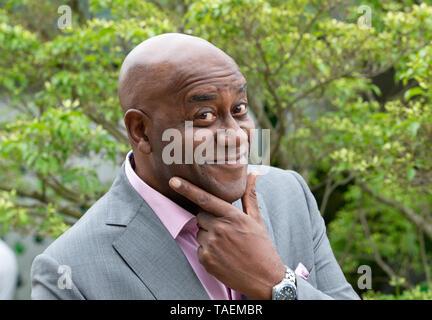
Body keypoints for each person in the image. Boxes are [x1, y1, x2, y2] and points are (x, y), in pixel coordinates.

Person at [31, 33, 360, 300]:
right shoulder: (69, 271)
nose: (235, 136)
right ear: (141, 132)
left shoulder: (288, 194)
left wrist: (278, 285)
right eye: (205, 117)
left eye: (240, 109)